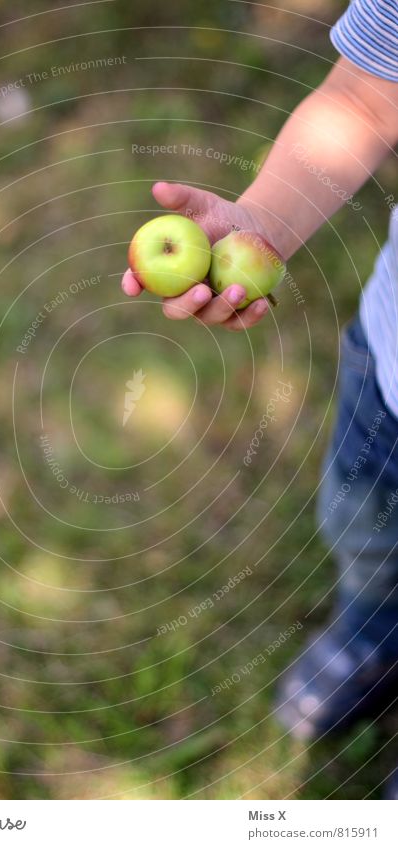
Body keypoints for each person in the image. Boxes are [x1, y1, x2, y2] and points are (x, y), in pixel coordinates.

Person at [121, 0, 398, 797]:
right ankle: (373, 634)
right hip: (393, 370)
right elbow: (366, 98)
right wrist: (261, 227)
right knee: (366, 531)